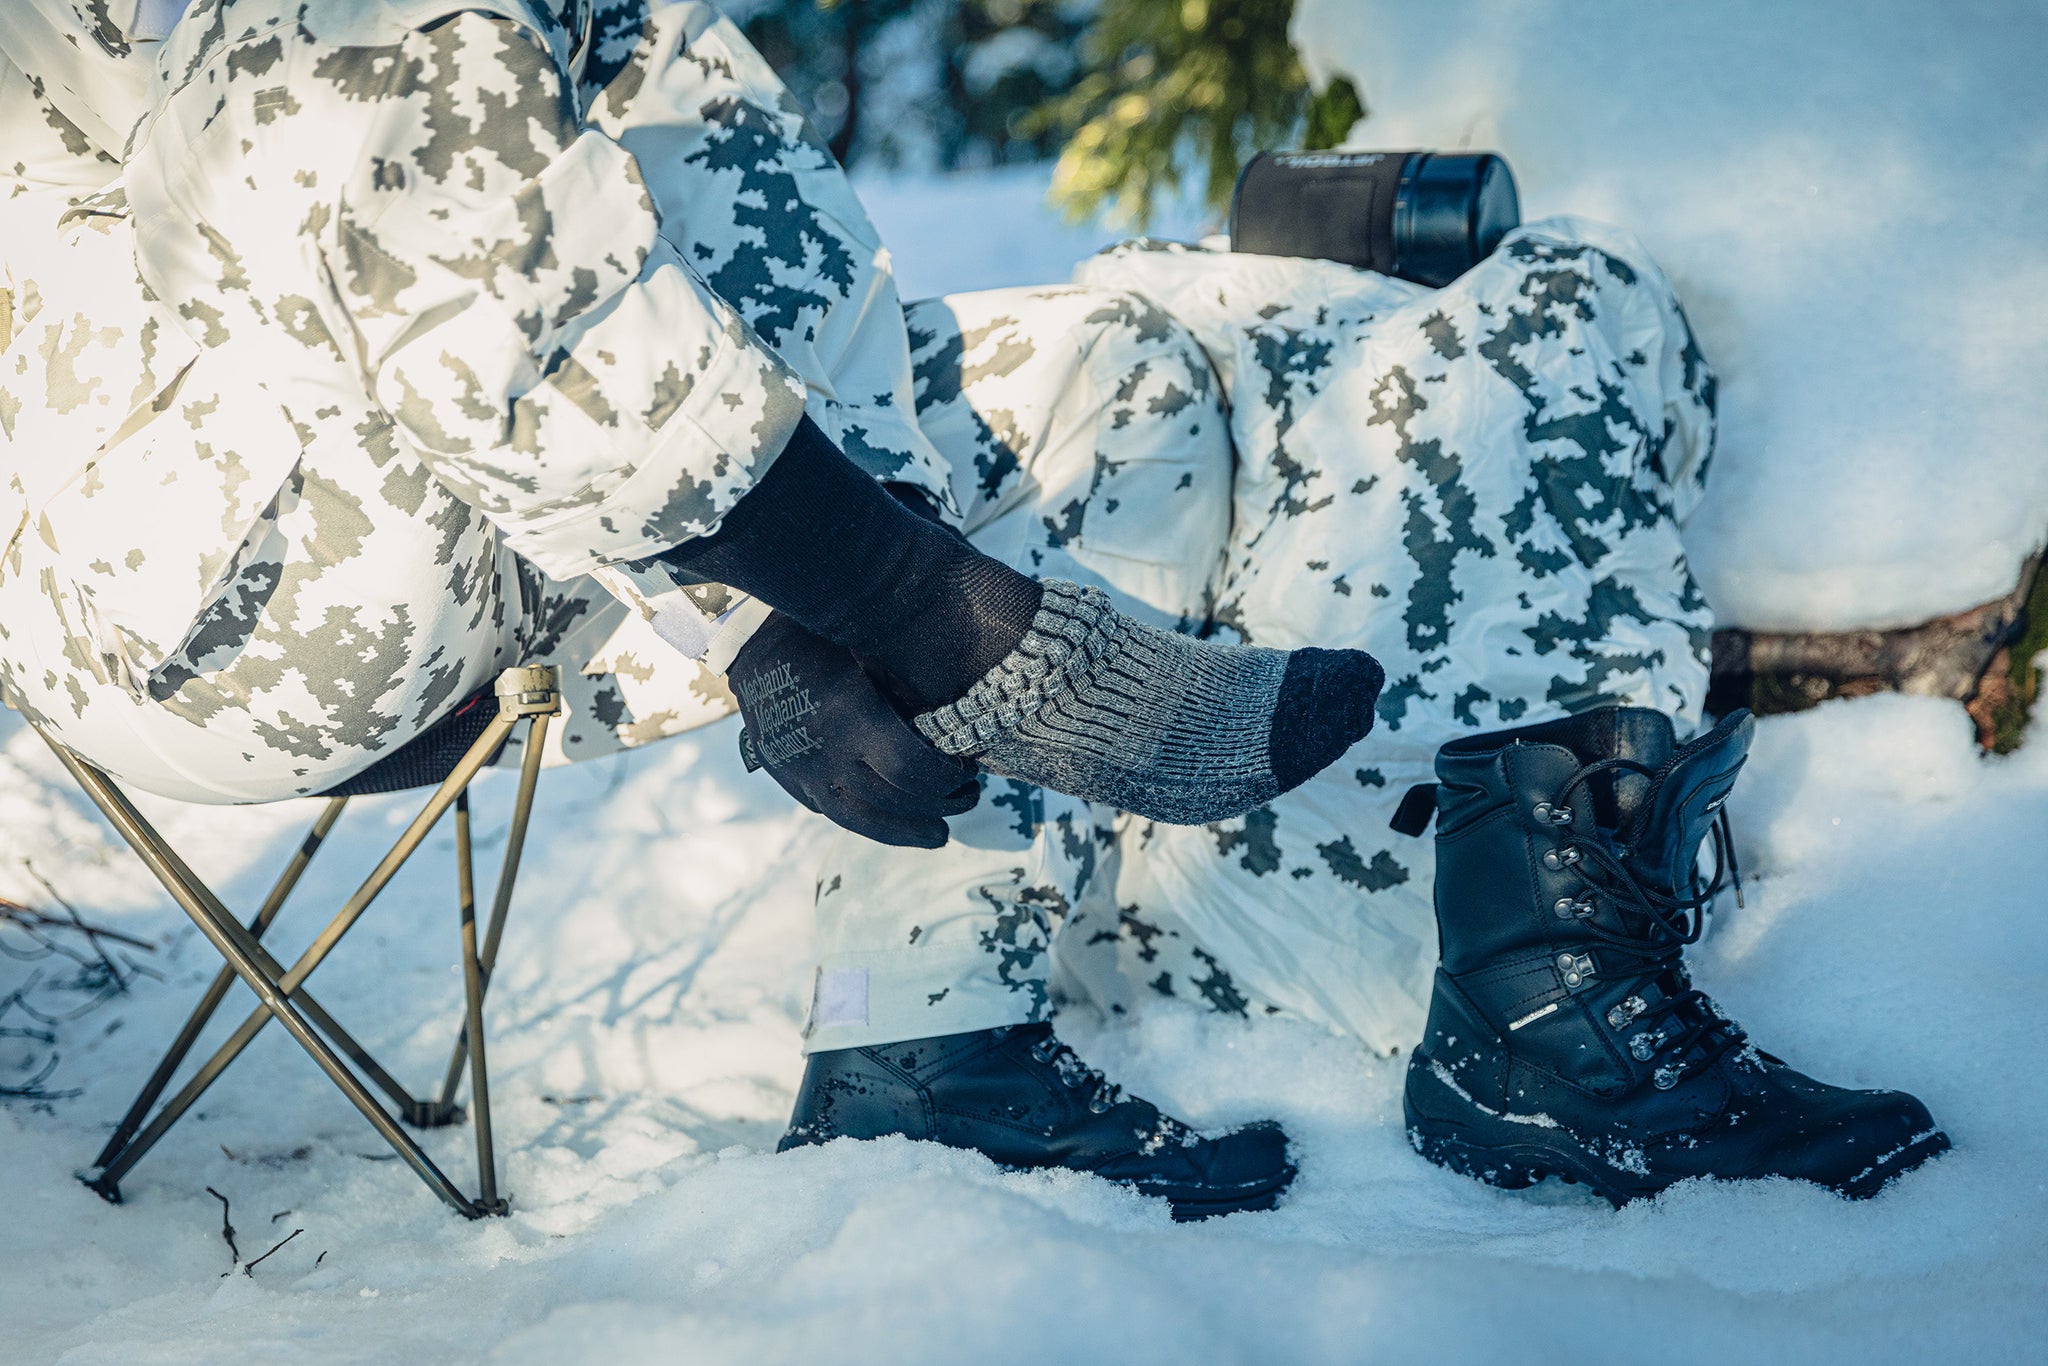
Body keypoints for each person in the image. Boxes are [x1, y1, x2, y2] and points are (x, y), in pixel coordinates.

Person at [0, 0, 1945, 1218]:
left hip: (425, 475)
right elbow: (381, 190)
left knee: (1119, 355)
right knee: (898, 319)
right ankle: (1467, 970)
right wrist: (850, 596)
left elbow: (624, 241)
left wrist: (800, 566)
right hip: (207, 561)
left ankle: (932, 1028)